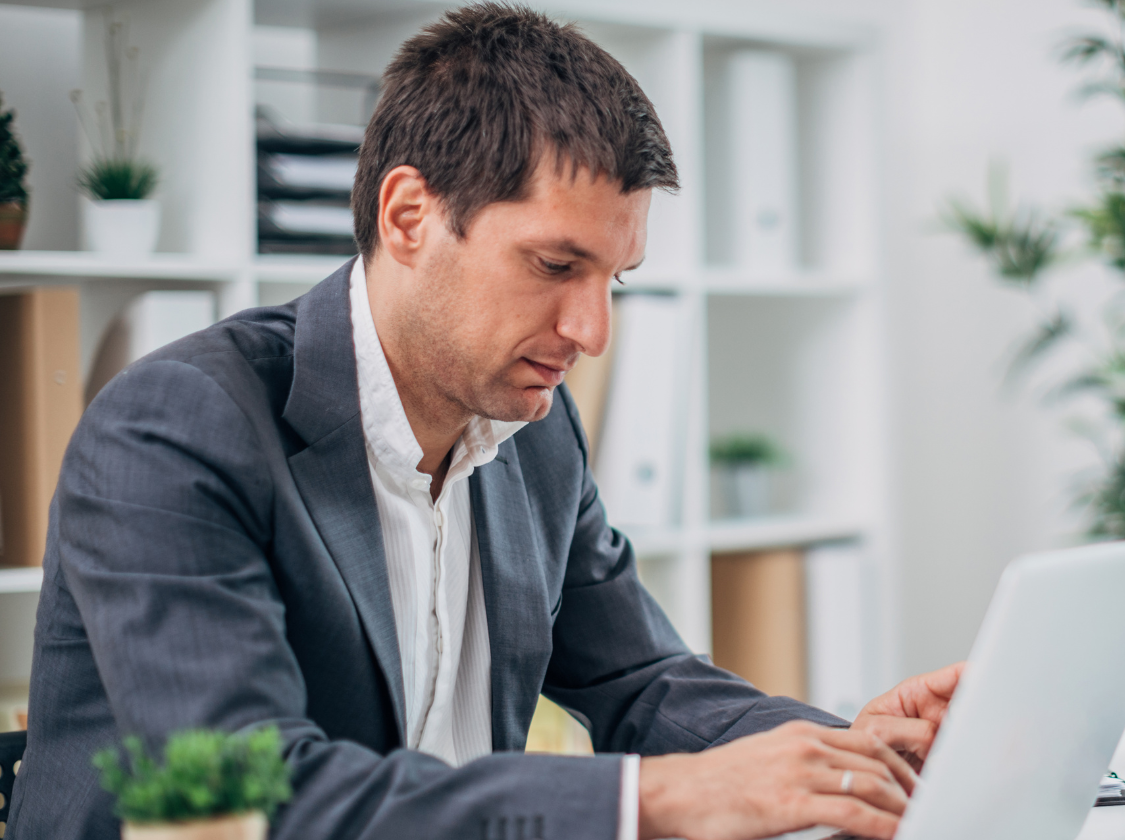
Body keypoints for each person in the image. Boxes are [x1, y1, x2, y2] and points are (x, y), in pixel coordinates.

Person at [8, 6, 962, 840]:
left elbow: (644, 681)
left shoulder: (534, 433)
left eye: (613, 281)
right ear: (410, 216)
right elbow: (254, 799)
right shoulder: (175, 430)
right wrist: (653, 805)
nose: (592, 331)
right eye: (555, 267)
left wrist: (845, 759)